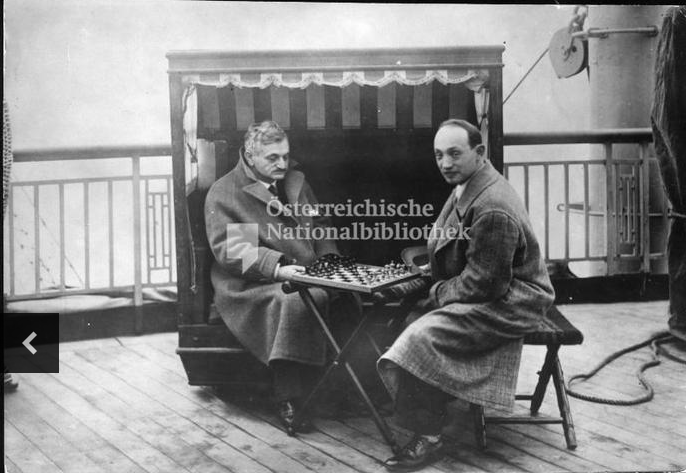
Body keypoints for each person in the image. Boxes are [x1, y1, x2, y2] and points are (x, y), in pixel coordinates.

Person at [377, 119, 555, 471]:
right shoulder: (469, 183)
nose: (445, 163)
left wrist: (435, 291)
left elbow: (485, 285)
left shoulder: (492, 205)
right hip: (490, 289)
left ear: (479, 152)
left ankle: (429, 437)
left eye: (454, 154)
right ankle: (423, 407)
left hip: (513, 301)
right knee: (410, 319)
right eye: (439, 155)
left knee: (422, 336)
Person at [205, 120, 348, 434]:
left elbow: (321, 224)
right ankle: (289, 397)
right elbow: (236, 252)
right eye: (273, 158)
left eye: (285, 156)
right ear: (250, 156)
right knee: (297, 302)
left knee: (347, 295)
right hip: (251, 284)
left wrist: (328, 260)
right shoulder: (227, 192)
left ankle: (334, 391)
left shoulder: (296, 181)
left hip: (305, 272)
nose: (282, 164)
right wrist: (278, 269)